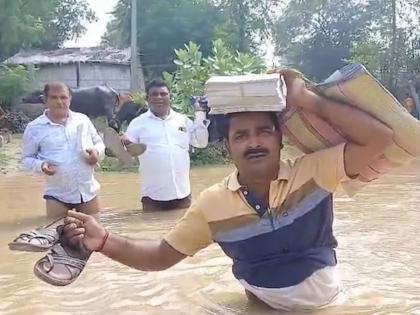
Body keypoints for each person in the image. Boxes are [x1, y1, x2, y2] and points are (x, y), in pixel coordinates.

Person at [62, 70, 393, 310]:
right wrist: (103, 240)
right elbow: (160, 256)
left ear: (281, 139)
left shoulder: (316, 170)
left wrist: (306, 98)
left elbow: (380, 138)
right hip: (263, 305)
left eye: (264, 132)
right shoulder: (212, 204)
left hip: (328, 304)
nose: (254, 142)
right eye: (241, 136)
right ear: (228, 148)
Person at [9, 82, 105, 286]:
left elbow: (99, 143)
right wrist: (41, 165)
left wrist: (98, 154)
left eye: (64, 97)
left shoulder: (82, 120)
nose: (60, 101)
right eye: (54, 97)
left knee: (93, 241)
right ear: (45, 100)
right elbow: (26, 158)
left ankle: (92, 282)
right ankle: (54, 279)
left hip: (87, 191)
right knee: (55, 240)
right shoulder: (35, 128)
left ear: (70, 99)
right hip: (57, 194)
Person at [122, 79, 209, 211]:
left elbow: (201, 143)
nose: (159, 97)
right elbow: (127, 152)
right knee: (152, 231)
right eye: (154, 94)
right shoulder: (137, 124)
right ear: (147, 98)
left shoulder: (183, 120)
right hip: (153, 198)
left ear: (170, 97)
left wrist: (200, 114)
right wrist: (124, 144)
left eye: (163, 94)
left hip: (182, 195)